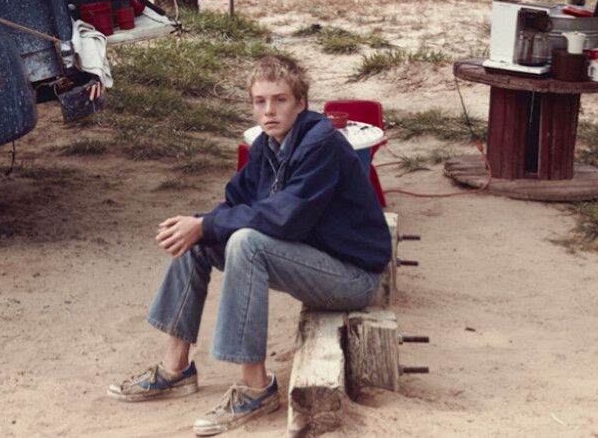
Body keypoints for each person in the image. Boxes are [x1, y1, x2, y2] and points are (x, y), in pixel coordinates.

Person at [108, 55, 392, 436]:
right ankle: (175, 368)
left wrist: (208, 224)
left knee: (245, 242)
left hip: (353, 277)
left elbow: (286, 218)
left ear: (301, 103)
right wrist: (199, 226)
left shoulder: (321, 143)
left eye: (280, 100)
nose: (269, 110)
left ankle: (256, 388)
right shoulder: (268, 144)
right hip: (313, 258)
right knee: (199, 238)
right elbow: (235, 201)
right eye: (260, 101)